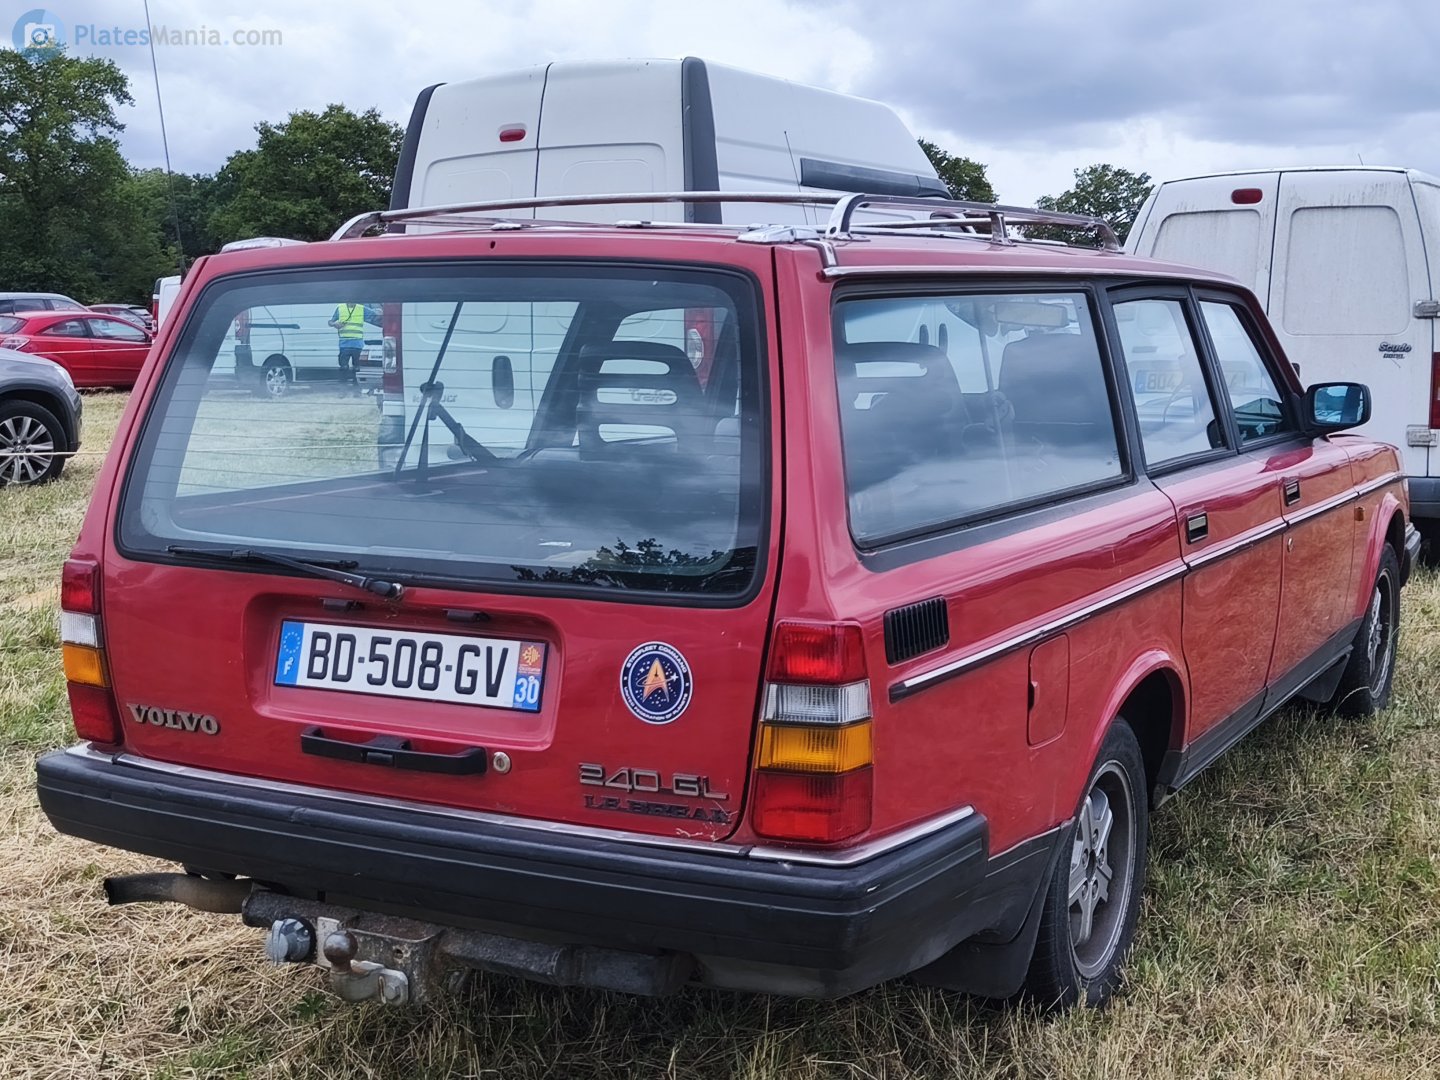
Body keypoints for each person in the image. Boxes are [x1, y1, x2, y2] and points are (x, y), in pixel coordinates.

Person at [328, 302, 367, 387]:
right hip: (344, 344)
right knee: (343, 367)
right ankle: (343, 390)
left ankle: (356, 390)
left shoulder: (361, 308)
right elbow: (330, 322)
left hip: (357, 344)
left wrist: (379, 312)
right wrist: (334, 324)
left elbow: (375, 318)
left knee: (357, 368)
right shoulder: (340, 307)